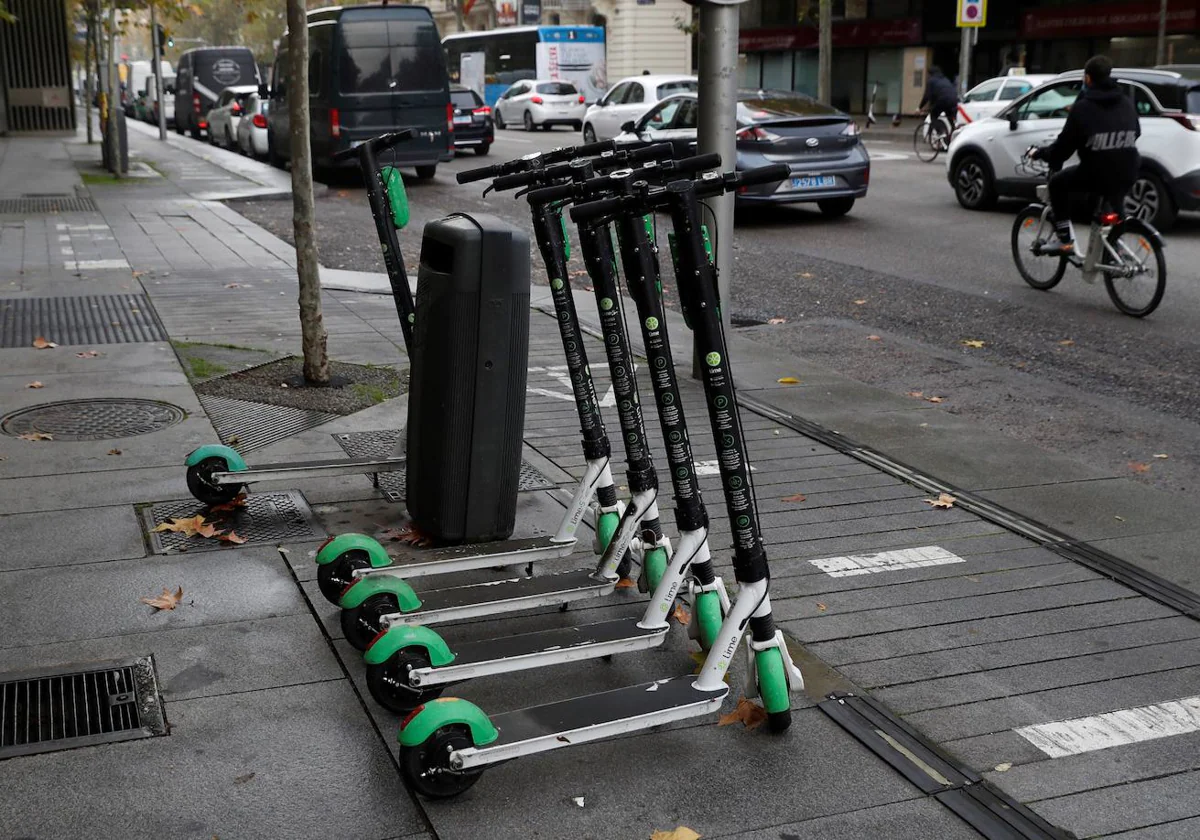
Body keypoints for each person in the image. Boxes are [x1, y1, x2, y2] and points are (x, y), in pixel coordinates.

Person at [1029, 55, 1140, 255]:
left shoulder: (1083, 107)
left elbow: (1063, 149)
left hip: (1097, 173)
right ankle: (1116, 246)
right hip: (1129, 170)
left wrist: (1042, 154)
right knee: (1112, 200)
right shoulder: (1126, 101)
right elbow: (1137, 132)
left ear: (1087, 79)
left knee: (1057, 184)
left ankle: (1065, 242)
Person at [919, 66, 958, 146]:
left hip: (943, 100)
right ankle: (953, 135)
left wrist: (920, 107)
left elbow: (927, 96)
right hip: (954, 100)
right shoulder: (945, 79)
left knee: (933, 116)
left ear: (930, 74)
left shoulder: (931, 81)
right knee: (950, 118)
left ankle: (941, 132)